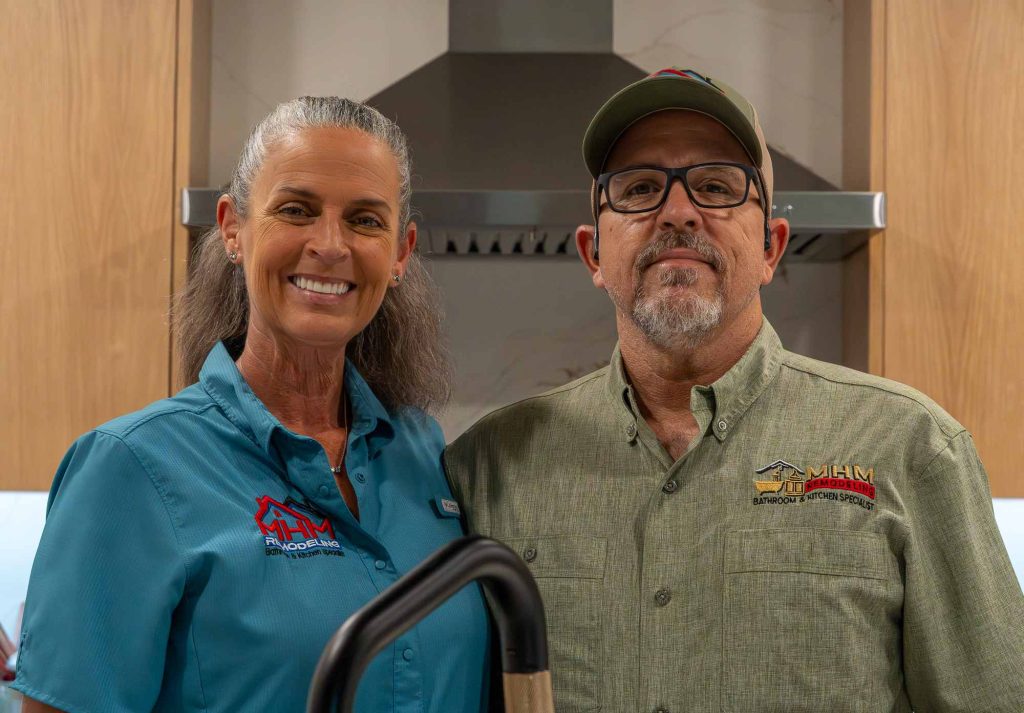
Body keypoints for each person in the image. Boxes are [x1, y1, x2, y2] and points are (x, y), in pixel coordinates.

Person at [444, 68, 1024, 712]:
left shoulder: (912, 447)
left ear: (772, 247)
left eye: (716, 187)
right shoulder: (490, 467)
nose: (678, 212)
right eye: (638, 189)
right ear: (593, 256)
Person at [13, 97, 490, 713]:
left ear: (401, 252)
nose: (330, 244)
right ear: (233, 228)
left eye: (366, 220)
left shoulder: (423, 452)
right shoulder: (130, 469)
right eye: (296, 210)